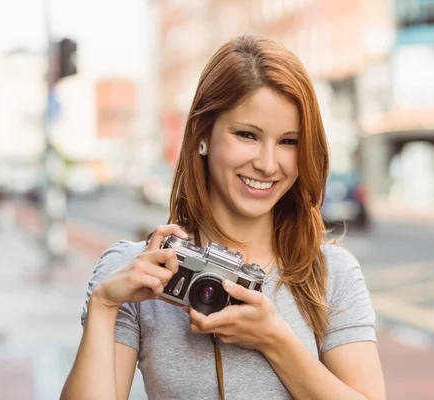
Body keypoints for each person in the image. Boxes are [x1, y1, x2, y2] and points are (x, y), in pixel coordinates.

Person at [60, 33, 385, 400]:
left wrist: (275, 341)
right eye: (247, 135)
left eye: (288, 142)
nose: (266, 164)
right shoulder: (139, 272)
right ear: (203, 135)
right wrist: (104, 307)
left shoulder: (330, 273)